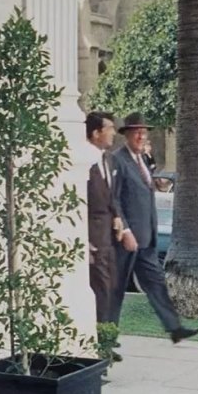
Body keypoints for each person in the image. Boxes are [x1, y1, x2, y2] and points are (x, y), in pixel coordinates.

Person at [110, 112, 198, 343]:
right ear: (127, 135)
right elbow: (114, 199)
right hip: (128, 240)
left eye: (143, 132)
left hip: (147, 238)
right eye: (136, 132)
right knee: (116, 289)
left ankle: (174, 328)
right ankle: (107, 337)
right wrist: (126, 231)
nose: (141, 136)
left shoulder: (142, 160)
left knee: (156, 283)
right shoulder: (117, 160)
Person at [85, 112, 121, 324]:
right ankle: (100, 339)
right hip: (94, 237)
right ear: (96, 132)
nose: (113, 133)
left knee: (112, 286)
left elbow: (111, 194)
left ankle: (107, 335)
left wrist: (116, 216)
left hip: (108, 236)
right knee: (101, 288)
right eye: (109, 128)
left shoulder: (107, 159)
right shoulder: (85, 161)